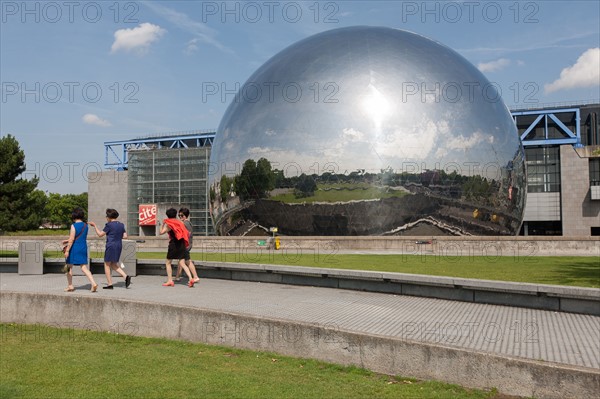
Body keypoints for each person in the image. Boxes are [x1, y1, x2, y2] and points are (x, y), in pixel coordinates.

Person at [89, 208, 131, 290]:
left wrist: (95, 226)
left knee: (107, 264)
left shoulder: (109, 225)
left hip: (111, 245)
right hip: (119, 245)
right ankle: (126, 276)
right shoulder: (121, 225)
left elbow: (100, 234)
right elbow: (125, 236)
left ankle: (110, 284)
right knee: (114, 264)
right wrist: (117, 236)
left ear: (108, 217)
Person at [62, 207, 98, 293]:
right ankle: (93, 283)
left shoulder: (73, 225)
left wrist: (67, 251)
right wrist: (67, 240)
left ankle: (70, 285)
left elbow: (72, 239)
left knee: (68, 266)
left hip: (74, 248)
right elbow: (79, 237)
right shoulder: (85, 226)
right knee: (84, 267)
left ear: (74, 215)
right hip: (83, 247)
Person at [159, 208, 195, 287]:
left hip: (173, 244)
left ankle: (170, 280)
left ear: (167, 215)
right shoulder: (180, 223)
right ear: (175, 215)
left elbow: (161, 232)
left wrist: (161, 224)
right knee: (182, 263)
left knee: (168, 263)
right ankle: (190, 278)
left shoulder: (169, 224)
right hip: (181, 244)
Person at [174, 207, 200, 284]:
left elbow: (186, 234)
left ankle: (195, 277)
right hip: (185, 245)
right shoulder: (186, 223)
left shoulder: (186, 223)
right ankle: (177, 276)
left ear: (186, 216)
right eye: (179, 215)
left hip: (185, 246)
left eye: (182, 215)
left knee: (188, 261)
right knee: (181, 261)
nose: (180, 217)